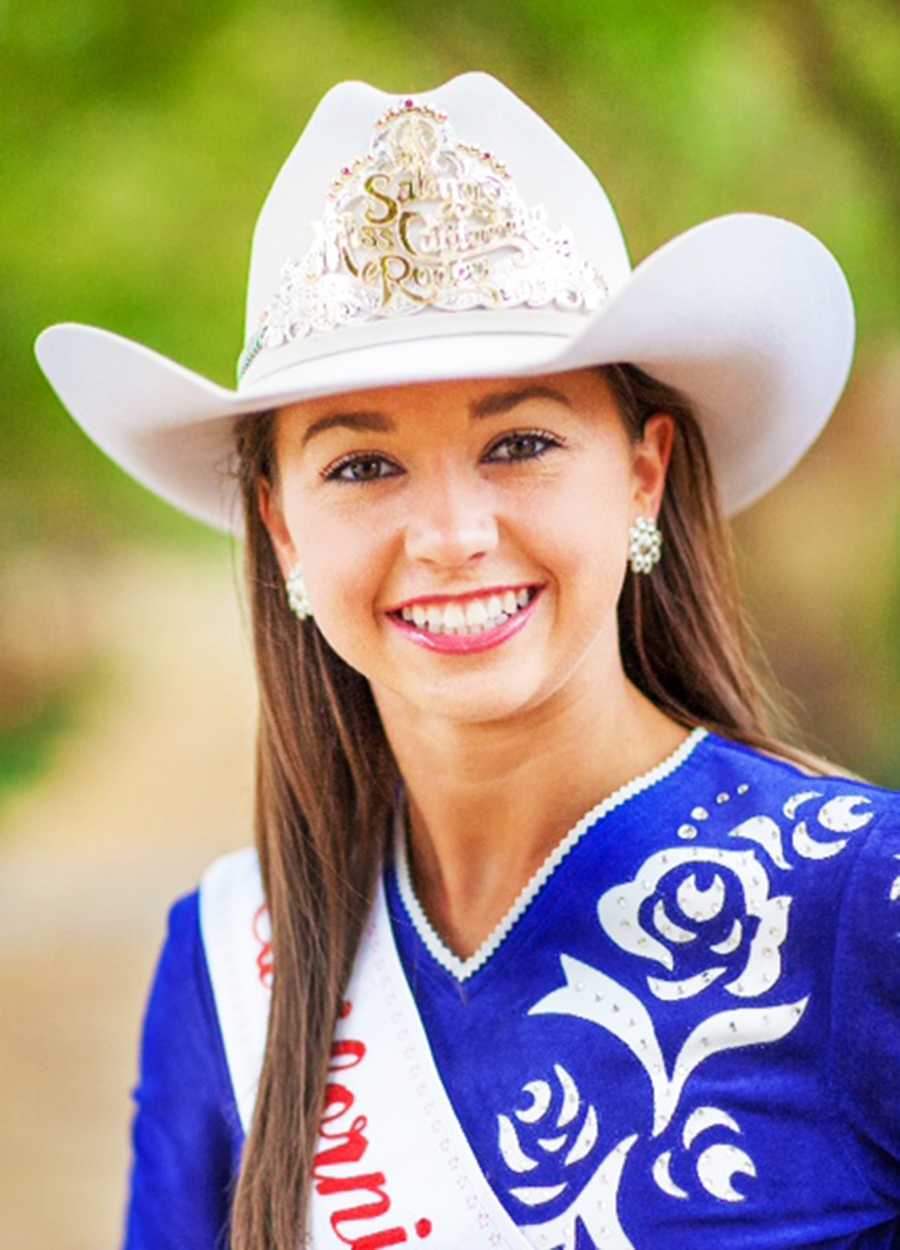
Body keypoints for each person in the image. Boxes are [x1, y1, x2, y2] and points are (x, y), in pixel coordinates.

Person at [34, 72, 900, 1250]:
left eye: (523, 443)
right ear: (281, 523)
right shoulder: (230, 963)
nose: (450, 535)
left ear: (643, 473)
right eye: (361, 466)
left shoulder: (861, 904)